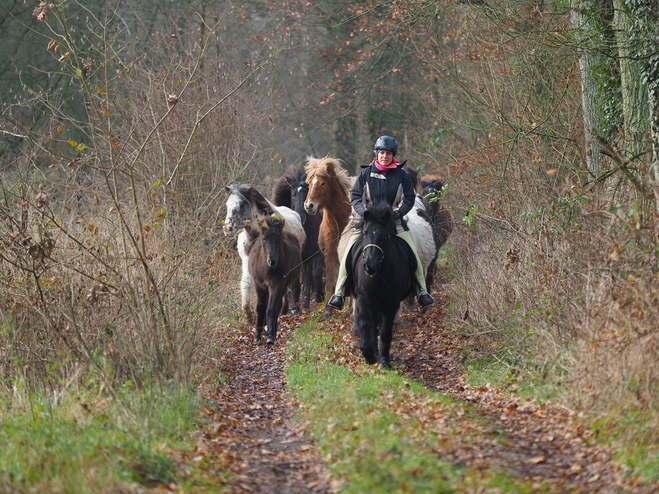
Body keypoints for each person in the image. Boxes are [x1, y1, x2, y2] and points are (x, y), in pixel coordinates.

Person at [327, 135, 434, 310]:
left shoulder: (401, 176)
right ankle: (339, 292)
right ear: (376, 154)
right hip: (367, 223)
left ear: (393, 156)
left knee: (413, 254)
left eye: (388, 153)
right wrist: (364, 213)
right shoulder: (365, 174)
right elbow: (355, 197)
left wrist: (398, 213)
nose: (385, 156)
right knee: (348, 253)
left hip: (394, 223)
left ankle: (422, 291)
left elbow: (409, 198)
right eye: (382, 153)